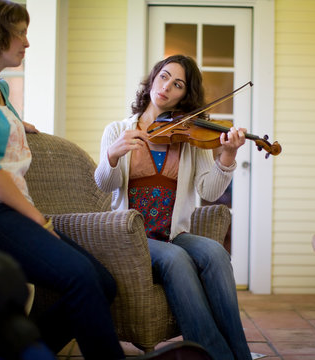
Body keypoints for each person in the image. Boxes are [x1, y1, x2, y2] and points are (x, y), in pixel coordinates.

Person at [0, 1, 125, 358]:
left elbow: (2, 130)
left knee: (103, 282)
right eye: (20, 33)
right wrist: (37, 218)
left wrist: (22, 124)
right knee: (81, 277)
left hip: (9, 212)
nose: (26, 42)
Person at [94, 54, 252, 360]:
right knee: (177, 259)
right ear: (154, 78)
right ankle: (215, 355)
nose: (167, 86)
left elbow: (208, 190)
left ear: (185, 94)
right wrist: (112, 155)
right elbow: (104, 184)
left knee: (217, 253)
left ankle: (240, 355)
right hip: (133, 237)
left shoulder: (189, 136)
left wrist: (228, 157)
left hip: (174, 233)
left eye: (177, 84)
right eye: (164, 76)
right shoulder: (117, 130)